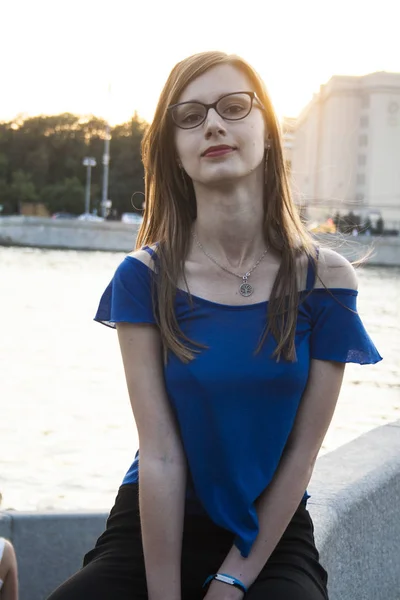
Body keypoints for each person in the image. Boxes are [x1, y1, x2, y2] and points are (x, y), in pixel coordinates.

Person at [47, 51, 382, 600]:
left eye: (233, 107)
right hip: (152, 522)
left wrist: (232, 579)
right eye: (191, 116)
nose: (214, 125)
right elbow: (158, 451)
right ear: (174, 151)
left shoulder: (327, 280)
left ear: (269, 133)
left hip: (268, 532)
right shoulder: (143, 277)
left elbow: (301, 454)